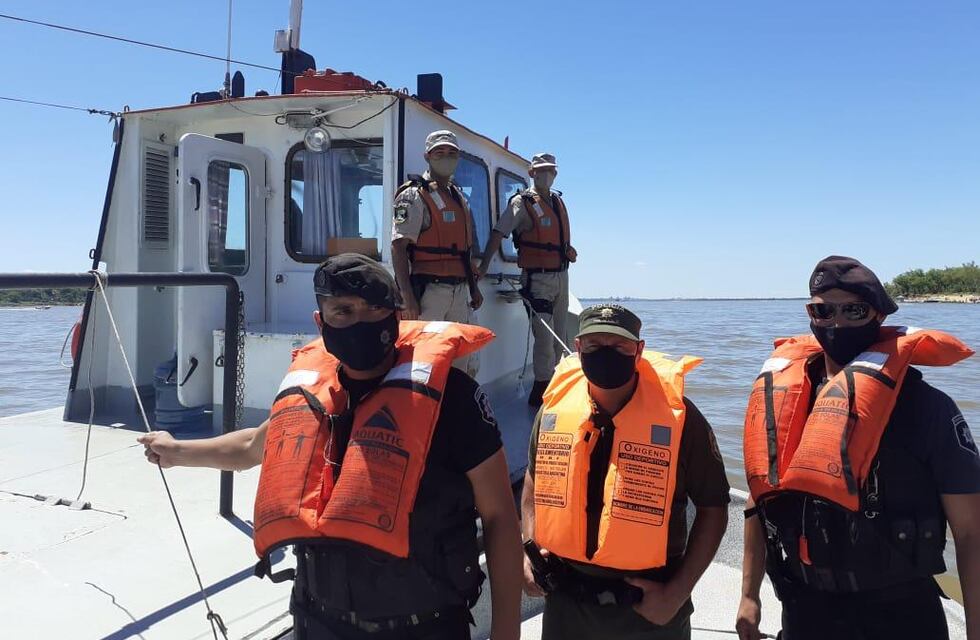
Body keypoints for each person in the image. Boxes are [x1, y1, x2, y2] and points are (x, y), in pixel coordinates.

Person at [139, 254, 522, 640]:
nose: (359, 321)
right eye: (342, 311)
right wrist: (175, 451)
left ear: (395, 314)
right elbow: (253, 445)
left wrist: (506, 633)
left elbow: (500, 516)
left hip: (421, 625)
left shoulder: (453, 398)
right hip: (318, 621)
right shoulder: (312, 396)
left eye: (373, 308)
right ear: (320, 322)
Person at [736, 255, 980, 640]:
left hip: (901, 615)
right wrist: (749, 596)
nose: (836, 323)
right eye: (823, 310)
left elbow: (970, 533)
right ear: (810, 315)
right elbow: (760, 498)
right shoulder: (785, 398)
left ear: (879, 316)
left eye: (854, 310)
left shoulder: (928, 408)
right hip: (806, 608)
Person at [520, 303, 730, 639]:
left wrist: (675, 594)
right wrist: (528, 552)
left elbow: (714, 508)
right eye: (593, 346)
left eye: (619, 347)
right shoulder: (553, 411)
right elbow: (534, 482)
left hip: (648, 608)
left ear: (639, 350)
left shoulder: (682, 419)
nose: (606, 355)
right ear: (578, 348)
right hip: (566, 605)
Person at [479, 153, 576, 406]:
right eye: (541, 170)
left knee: (560, 337)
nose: (547, 175)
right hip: (537, 280)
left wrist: (568, 251)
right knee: (544, 339)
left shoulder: (556, 202)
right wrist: (484, 264)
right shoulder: (521, 203)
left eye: (551, 171)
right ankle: (540, 393)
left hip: (561, 278)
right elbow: (499, 232)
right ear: (532, 173)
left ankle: (557, 387)